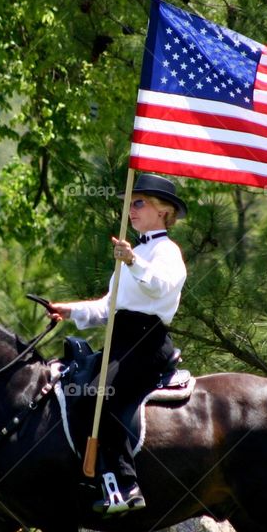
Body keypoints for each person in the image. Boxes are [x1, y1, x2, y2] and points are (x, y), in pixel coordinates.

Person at [50, 173, 188, 514]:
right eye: (130, 204)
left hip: (148, 341)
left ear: (162, 210)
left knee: (101, 394)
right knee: (74, 389)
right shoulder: (134, 253)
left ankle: (125, 484)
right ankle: (88, 475)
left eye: (138, 203)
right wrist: (70, 311)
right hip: (120, 340)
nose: (131, 210)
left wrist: (132, 261)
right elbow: (107, 307)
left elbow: (162, 287)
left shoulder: (166, 251)